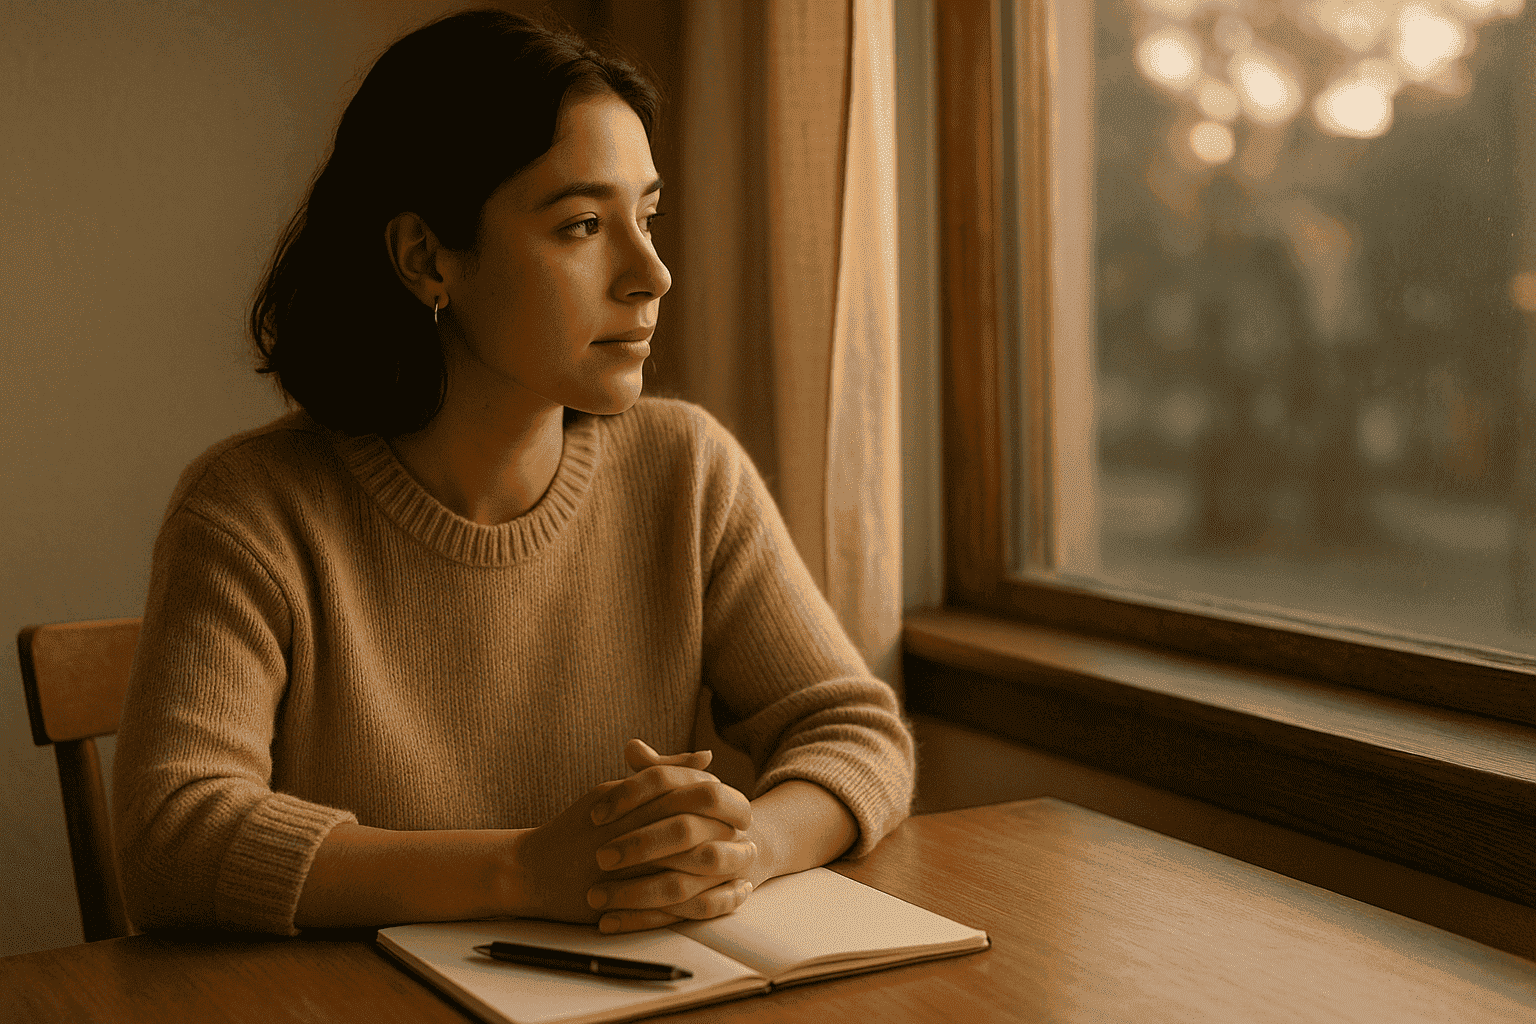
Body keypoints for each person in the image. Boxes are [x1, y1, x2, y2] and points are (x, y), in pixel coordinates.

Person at [111, 9, 914, 938]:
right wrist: (521, 870)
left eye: (647, 216)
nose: (651, 272)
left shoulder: (685, 468)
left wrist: (745, 849)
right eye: (582, 225)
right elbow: (172, 839)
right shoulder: (253, 510)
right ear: (426, 259)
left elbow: (856, 731)